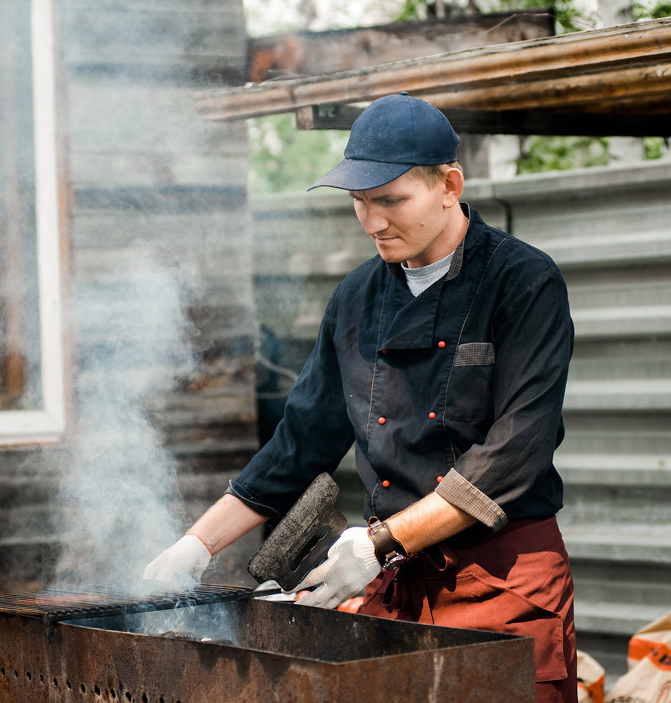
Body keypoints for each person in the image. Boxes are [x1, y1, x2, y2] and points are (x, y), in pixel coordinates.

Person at [144, 92, 577, 703]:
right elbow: (300, 443)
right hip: (394, 582)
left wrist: (380, 541)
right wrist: (196, 544)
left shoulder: (524, 282)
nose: (373, 222)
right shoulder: (354, 298)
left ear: (449, 184)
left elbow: (514, 455)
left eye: (391, 201)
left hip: (502, 584)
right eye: (359, 203)